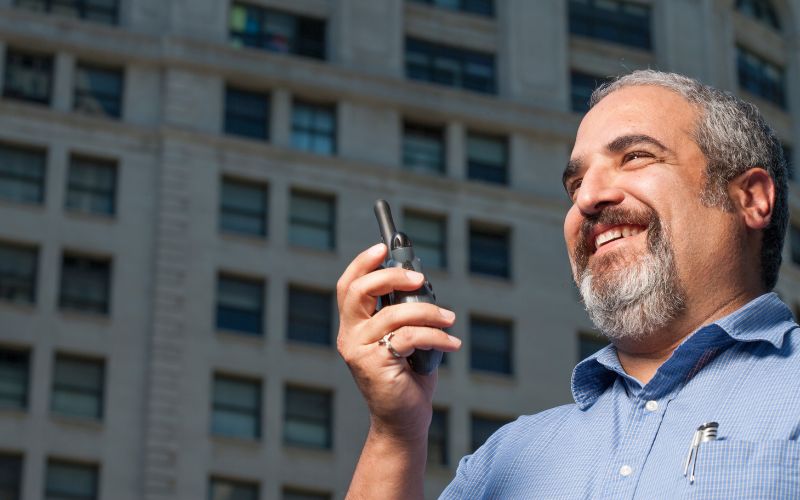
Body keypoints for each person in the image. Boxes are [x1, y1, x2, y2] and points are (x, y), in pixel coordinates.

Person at [335, 70, 799, 499]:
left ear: (751, 199)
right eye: (575, 184)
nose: (589, 198)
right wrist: (397, 433)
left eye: (635, 157)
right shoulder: (505, 459)